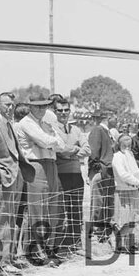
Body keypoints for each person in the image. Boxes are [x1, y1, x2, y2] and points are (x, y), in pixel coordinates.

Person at [0, 92, 34, 276]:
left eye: (12, 105)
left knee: (11, 219)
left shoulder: (9, 123)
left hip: (16, 176)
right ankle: (0, 261)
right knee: (2, 220)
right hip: (5, 179)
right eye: (6, 105)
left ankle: (9, 258)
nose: (10, 108)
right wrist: (0, 175)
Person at [16, 97, 66, 267]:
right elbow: (45, 141)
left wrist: (50, 141)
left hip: (51, 164)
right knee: (37, 209)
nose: (41, 109)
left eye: (44, 106)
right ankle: (36, 250)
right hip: (35, 165)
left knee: (52, 208)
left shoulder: (47, 123)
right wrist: (50, 141)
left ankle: (48, 247)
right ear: (30, 106)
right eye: (37, 106)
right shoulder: (26, 122)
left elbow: (61, 144)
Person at [52, 95, 89, 256]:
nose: (63, 113)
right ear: (55, 111)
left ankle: (76, 242)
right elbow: (60, 150)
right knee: (61, 210)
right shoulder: (51, 128)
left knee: (76, 210)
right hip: (60, 175)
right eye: (60, 110)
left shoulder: (76, 129)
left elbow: (87, 149)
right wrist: (73, 150)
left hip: (76, 174)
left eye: (66, 110)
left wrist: (72, 152)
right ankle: (60, 244)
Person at [110, 134, 139, 251]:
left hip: (134, 189)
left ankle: (127, 244)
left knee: (134, 219)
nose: (127, 146)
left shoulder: (130, 155)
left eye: (129, 144)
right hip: (123, 190)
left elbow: (135, 171)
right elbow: (122, 174)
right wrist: (136, 181)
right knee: (124, 220)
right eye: (124, 144)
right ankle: (117, 242)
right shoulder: (117, 156)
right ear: (119, 144)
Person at [87, 110, 116, 244]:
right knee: (97, 204)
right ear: (108, 117)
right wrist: (98, 169)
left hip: (109, 172)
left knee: (107, 204)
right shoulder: (98, 130)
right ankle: (93, 234)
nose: (116, 119)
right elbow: (93, 152)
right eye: (114, 117)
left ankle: (103, 235)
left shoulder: (109, 132)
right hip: (101, 171)